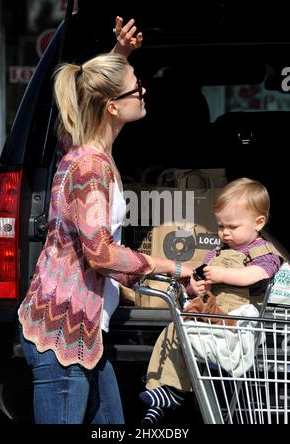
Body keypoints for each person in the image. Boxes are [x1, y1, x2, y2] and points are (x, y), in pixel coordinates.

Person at [17, 16, 193, 425]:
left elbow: (91, 98)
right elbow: (99, 254)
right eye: (136, 86)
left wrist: (120, 56)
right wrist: (174, 268)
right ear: (113, 106)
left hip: (85, 335)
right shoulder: (89, 167)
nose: (144, 89)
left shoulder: (80, 148)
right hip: (60, 336)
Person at [139, 177, 283, 425]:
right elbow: (200, 277)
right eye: (220, 226)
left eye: (233, 227)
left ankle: (172, 392)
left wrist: (222, 274)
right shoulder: (216, 252)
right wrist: (196, 286)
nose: (225, 233)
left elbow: (256, 275)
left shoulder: (264, 253)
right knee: (174, 330)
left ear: (259, 223)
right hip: (210, 315)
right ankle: (162, 389)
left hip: (235, 324)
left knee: (185, 332)